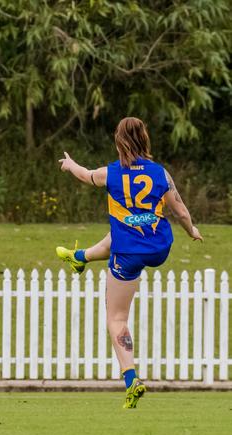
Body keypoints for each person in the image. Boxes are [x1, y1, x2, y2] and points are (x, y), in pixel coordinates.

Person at [58, 116, 203, 408]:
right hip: (160, 246)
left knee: (117, 318)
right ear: (145, 139)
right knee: (120, 229)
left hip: (129, 254)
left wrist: (69, 164)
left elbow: (85, 175)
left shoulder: (110, 173)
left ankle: (131, 379)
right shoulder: (161, 174)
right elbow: (182, 211)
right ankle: (79, 257)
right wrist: (192, 231)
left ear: (119, 141)